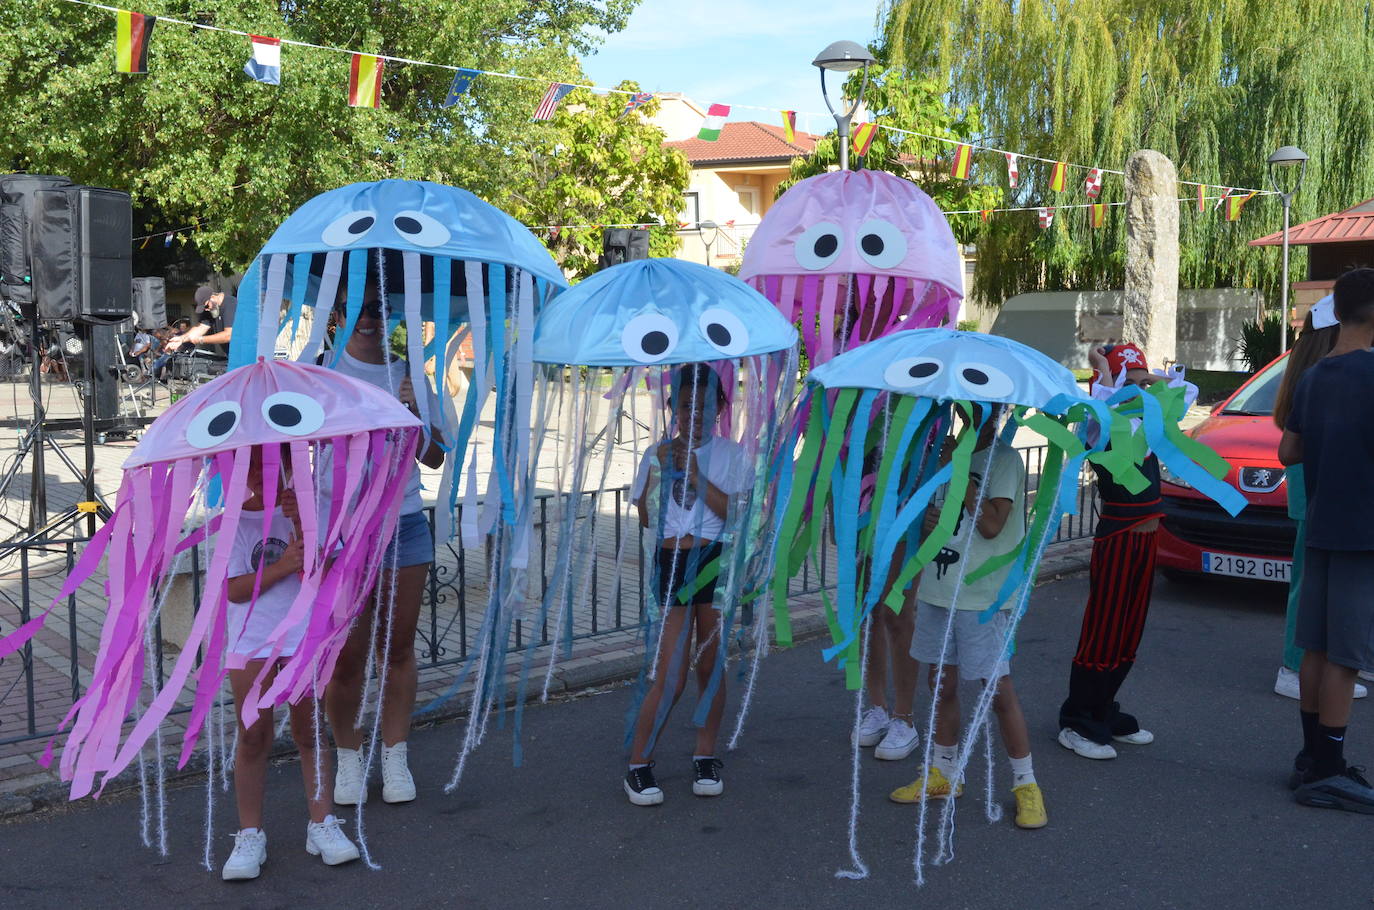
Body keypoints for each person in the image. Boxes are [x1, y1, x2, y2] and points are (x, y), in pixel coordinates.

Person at [888, 404, 1047, 830]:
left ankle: (1026, 784)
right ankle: (943, 773)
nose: (980, 411)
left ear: (1000, 410)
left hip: (985, 597)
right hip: (940, 591)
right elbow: (945, 523)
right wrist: (930, 524)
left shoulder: (1007, 460)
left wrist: (960, 477)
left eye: (990, 406)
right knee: (941, 684)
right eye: (971, 404)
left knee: (997, 691)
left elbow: (993, 525)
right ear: (959, 407)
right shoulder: (947, 453)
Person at [325, 283, 445, 807]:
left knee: (396, 650)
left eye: (380, 308)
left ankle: (395, 756)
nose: (371, 318)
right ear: (338, 311)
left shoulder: (411, 374)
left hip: (404, 526)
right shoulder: (319, 373)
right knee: (346, 657)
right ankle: (348, 759)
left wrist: (415, 414)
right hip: (341, 534)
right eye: (358, 308)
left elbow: (436, 458)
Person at [220, 444, 360, 881]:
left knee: (308, 731)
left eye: (272, 464)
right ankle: (249, 834)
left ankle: (321, 824)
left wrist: (304, 522)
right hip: (251, 642)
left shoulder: (308, 508)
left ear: (288, 463)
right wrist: (280, 567)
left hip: (301, 637)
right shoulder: (234, 520)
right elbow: (234, 590)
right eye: (254, 466)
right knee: (254, 735)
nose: (263, 475)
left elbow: (330, 569)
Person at [624, 363, 750, 806]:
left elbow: (737, 515)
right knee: (671, 672)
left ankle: (705, 754)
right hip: (672, 560)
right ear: (673, 408)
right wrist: (663, 473)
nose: (692, 414)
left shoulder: (732, 454)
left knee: (709, 665)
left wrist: (697, 476)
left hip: (715, 561)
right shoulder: (656, 453)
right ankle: (639, 762)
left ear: (719, 407)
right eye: (684, 406)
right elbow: (644, 515)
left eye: (702, 406)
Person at [1058, 342, 1183, 760]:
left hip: (1147, 536)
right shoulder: (1100, 420)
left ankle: (1103, 709)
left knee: (1130, 629)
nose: (1140, 389)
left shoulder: (1149, 423)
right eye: (1132, 382)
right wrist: (1104, 373)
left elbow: (1188, 393)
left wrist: (1154, 379)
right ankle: (1078, 720)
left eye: (1142, 381)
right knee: (1105, 628)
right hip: (1118, 535)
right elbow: (1104, 407)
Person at [1278, 267, 1374, 813]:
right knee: (1345, 656)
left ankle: (1311, 758)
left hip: (1321, 523)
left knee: (1315, 646)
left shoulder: (1315, 377)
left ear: (1335, 312)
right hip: (1364, 531)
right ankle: (1330, 770)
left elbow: (1288, 453)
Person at [1271, 300, 1370, 700]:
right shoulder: (1322, 372)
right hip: (1318, 483)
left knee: (1330, 584)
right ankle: (1294, 667)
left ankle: (1339, 658)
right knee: (1309, 582)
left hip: (1324, 483)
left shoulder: (1312, 368)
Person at [167, 285, 237, 354]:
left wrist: (201, 339)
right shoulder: (211, 308)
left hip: (243, 355)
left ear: (213, 297)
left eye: (206, 306)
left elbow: (229, 335)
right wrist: (181, 339)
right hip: (231, 355)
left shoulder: (230, 304)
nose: (206, 309)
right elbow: (201, 327)